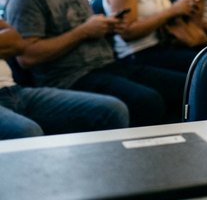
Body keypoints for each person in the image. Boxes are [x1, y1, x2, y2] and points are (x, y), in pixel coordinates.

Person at [4, 0, 186, 126]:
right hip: (71, 77)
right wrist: (83, 31)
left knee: (185, 85)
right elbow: (28, 57)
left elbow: (86, 29)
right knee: (147, 101)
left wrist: (107, 27)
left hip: (107, 65)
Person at [0, 19, 129, 139]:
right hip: (64, 76)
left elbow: (18, 43)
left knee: (112, 110)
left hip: (14, 91)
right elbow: (27, 57)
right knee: (25, 131)